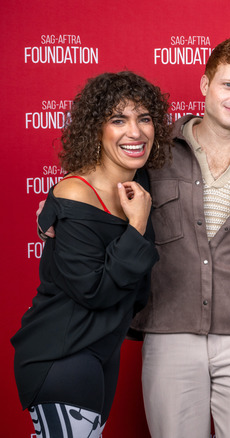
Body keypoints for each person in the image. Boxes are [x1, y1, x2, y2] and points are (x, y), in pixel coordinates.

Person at [130, 37, 230, 438]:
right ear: (205, 84)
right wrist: (58, 207)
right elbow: (102, 182)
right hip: (170, 329)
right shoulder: (154, 152)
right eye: (229, 84)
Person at [12, 71, 170, 437]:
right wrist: (136, 226)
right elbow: (95, 292)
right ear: (95, 129)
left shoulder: (138, 179)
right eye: (119, 120)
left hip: (102, 350)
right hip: (62, 351)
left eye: (144, 118)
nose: (135, 132)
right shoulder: (75, 194)